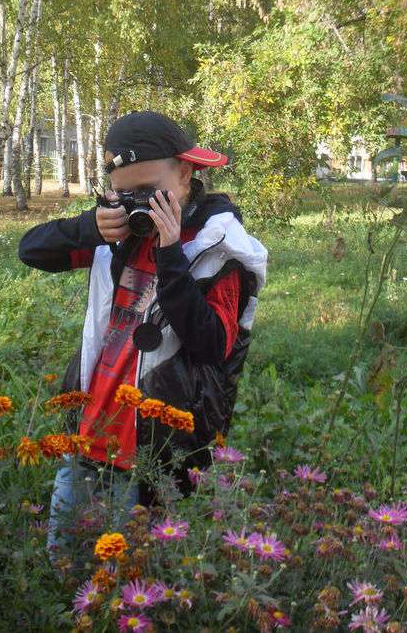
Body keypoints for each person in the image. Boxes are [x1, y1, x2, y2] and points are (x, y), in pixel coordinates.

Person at [18, 110, 268, 561]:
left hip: (160, 445)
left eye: (152, 191)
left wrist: (172, 256)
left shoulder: (220, 248)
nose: (140, 204)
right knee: (66, 558)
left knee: (131, 572)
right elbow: (31, 251)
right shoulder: (119, 231)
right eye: (126, 192)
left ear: (187, 172)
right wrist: (87, 228)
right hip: (93, 429)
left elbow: (212, 344)